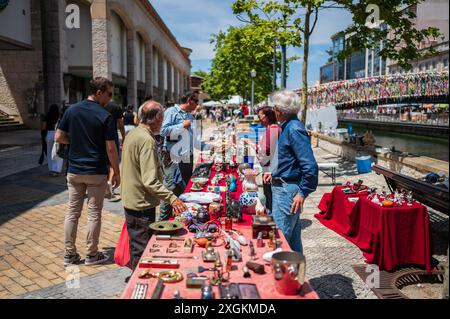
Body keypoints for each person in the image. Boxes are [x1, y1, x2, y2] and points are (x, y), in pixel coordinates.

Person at [55, 77, 120, 266]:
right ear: (98, 92)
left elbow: (59, 137)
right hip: (96, 171)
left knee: (72, 212)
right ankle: (91, 255)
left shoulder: (71, 110)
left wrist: (76, 141)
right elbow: (111, 148)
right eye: (109, 94)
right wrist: (116, 171)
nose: (110, 98)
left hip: (74, 170)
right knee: (93, 214)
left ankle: (69, 255)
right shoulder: (105, 115)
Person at [121, 100, 187, 271]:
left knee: (139, 246)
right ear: (157, 119)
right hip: (140, 204)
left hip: (134, 200)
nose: (163, 122)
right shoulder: (146, 140)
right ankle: (138, 285)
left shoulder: (134, 134)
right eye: (162, 118)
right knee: (141, 251)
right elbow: (149, 181)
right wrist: (172, 198)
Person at [264, 89, 318, 253]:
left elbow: (310, 166)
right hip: (284, 186)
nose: (273, 111)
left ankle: (284, 277)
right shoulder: (289, 126)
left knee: (281, 244)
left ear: (279, 110)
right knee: (293, 242)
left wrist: (302, 192)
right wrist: (274, 172)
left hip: (287, 190)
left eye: (274, 108)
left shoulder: (293, 129)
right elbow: (290, 159)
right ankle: (297, 277)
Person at [159, 91, 199, 220]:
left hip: (187, 157)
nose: (197, 104)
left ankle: (179, 219)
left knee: (184, 188)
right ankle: (163, 222)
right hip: (174, 157)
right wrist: (182, 125)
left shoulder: (190, 115)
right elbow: (162, 130)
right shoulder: (171, 111)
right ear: (189, 100)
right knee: (171, 189)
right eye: (196, 101)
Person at [241, 106, 281, 214]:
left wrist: (251, 143)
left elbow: (264, 150)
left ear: (267, 116)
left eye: (260, 116)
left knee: (270, 195)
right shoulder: (271, 129)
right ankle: (270, 214)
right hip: (268, 167)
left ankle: (272, 217)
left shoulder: (273, 129)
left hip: (271, 168)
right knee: (268, 193)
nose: (258, 118)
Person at [105, 101, 125, 201]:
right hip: (112, 137)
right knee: (113, 160)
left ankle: (106, 183)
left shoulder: (98, 104)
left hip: (99, 138)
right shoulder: (116, 107)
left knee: (106, 163)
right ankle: (110, 183)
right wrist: (124, 137)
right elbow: (121, 124)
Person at [42, 104, 63, 176]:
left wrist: (43, 136)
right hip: (58, 133)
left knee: (49, 152)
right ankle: (57, 169)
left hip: (49, 134)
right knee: (57, 151)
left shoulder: (47, 117)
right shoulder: (59, 117)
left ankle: (52, 169)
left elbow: (44, 127)